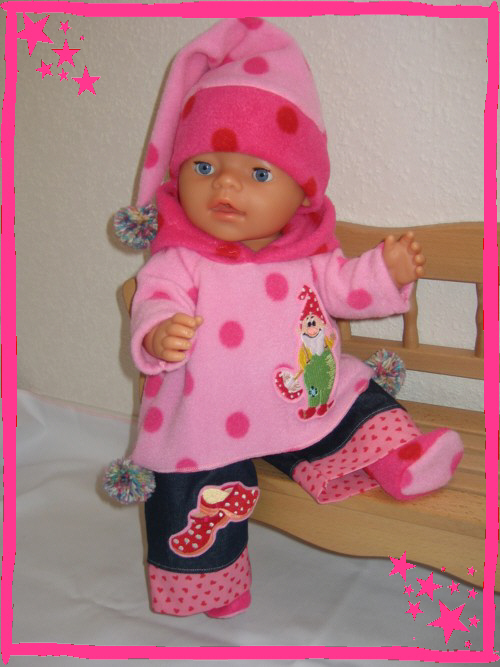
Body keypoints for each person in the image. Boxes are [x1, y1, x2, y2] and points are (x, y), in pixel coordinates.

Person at [121, 18, 463, 619]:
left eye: (258, 174)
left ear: (302, 193)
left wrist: (384, 272)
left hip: (305, 400)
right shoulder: (180, 257)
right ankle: (213, 582)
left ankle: (398, 459)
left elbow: (346, 289)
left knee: (362, 401)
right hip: (208, 416)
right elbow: (156, 298)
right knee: (191, 487)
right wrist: (157, 332)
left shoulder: (308, 253)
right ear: (178, 175)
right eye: (205, 167)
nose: (226, 186)